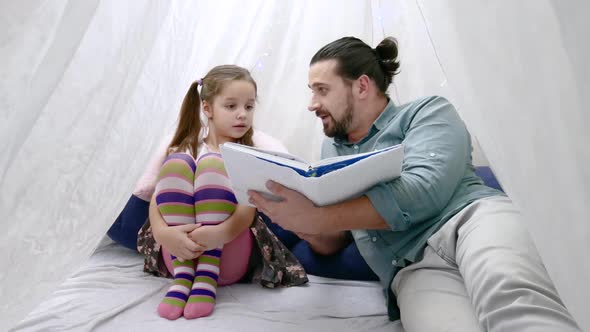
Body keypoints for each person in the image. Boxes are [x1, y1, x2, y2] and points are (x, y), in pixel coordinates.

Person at [249, 37, 581, 331]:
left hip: (470, 221)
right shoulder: (330, 151)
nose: (312, 104)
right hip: (410, 266)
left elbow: (424, 190)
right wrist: (300, 223)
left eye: (322, 90)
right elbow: (335, 241)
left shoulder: (427, 112)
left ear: (361, 86)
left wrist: (318, 218)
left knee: (512, 298)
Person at [150, 65, 258, 320]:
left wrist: (219, 233)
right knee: (177, 163)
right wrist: (163, 233)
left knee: (212, 164)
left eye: (249, 107)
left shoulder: (253, 154)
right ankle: (184, 277)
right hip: (178, 251)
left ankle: (207, 273)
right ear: (207, 108)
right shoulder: (185, 147)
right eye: (231, 106)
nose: (242, 115)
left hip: (228, 250)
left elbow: (248, 210)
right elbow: (157, 199)